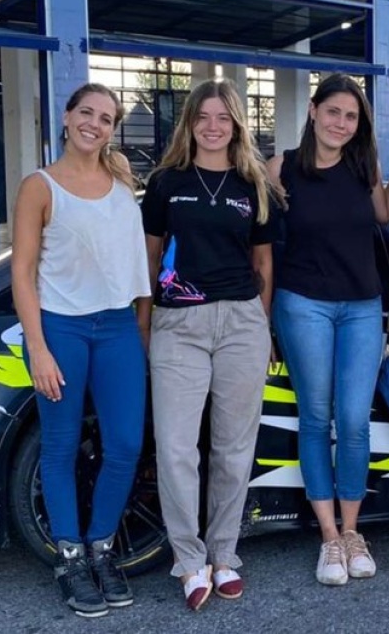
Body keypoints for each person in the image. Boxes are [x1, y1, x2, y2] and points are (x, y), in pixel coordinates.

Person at [138, 78, 281, 611]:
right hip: (180, 326)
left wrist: (261, 327)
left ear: (236, 124)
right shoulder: (165, 182)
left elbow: (264, 264)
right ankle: (188, 560)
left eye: (223, 117)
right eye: (204, 117)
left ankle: (224, 555)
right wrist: (146, 324)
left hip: (242, 323)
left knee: (233, 448)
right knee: (176, 448)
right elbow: (149, 261)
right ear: (190, 123)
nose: (213, 126)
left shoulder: (253, 184)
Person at [11, 83, 151, 618]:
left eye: (107, 118)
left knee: (124, 446)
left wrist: (139, 332)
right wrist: (39, 349)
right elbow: (23, 271)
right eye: (87, 112)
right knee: (61, 446)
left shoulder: (120, 181)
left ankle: (102, 548)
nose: (96, 123)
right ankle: (70, 559)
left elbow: (136, 267)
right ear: (67, 117)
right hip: (62, 329)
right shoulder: (39, 186)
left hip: (117, 328)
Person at [268, 73, 389, 586]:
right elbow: (261, 242)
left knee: (353, 421)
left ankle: (353, 531)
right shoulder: (282, 168)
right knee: (316, 418)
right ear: (314, 111)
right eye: (333, 111)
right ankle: (329, 539)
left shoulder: (365, 169)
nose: (341, 123)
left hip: (363, 306)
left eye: (351, 116)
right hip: (303, 305)